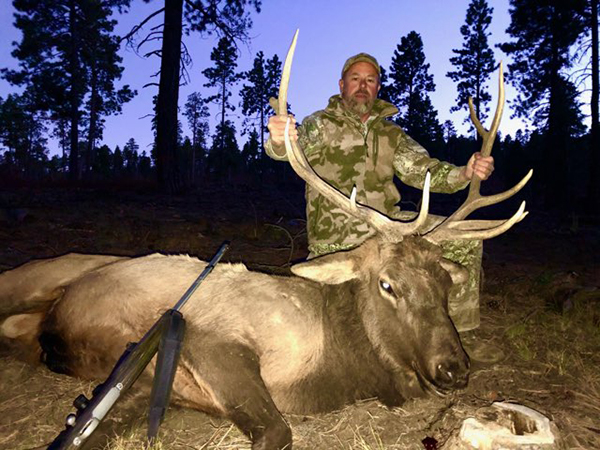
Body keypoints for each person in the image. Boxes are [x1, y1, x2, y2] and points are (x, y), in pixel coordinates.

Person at [265, 53, 502, 363]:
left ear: (377, 87)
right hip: (339, 235)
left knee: (467, 239)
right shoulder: (320, 125)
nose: (362, 86)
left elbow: (422, 170)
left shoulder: (391, 134)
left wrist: (465, 173)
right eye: (355, 79)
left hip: (390, 232)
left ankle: (459, 332)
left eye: (370, 80)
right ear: (342, 85)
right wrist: (280, 137)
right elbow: (287, 149)